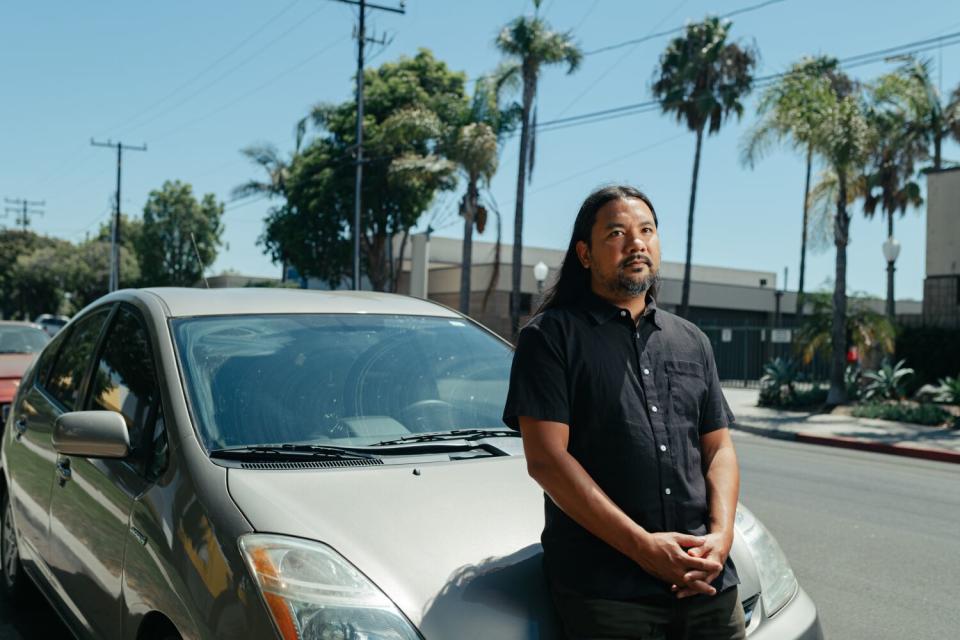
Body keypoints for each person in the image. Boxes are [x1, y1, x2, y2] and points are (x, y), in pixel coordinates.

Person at [502, 185, 745, 639]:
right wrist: (644, 549)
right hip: (609, 592)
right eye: (617, 232)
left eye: (646, 230)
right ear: (585, 254)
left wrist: (722, 538)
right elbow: (547, 461)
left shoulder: (692, 340)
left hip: (708, 585)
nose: (636, 243)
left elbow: (718, 451)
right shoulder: (551, 338)